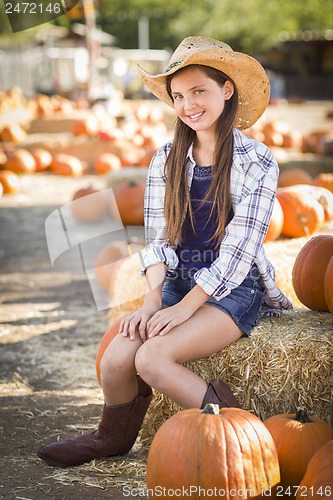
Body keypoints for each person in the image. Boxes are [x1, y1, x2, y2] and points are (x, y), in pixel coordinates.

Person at [37, 36, 292, 467]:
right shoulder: (166, 159)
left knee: (153, 358)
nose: (188, 105)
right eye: (178, 96)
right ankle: (110, 440)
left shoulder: (258, 162)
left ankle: (244, 435)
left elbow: (238, 252)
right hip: (176, 280)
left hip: (231, 289)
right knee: (118, 357)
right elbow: (158, 241)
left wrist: (185, 309)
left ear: (226, 89)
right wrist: (153, 301)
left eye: (199, 91)